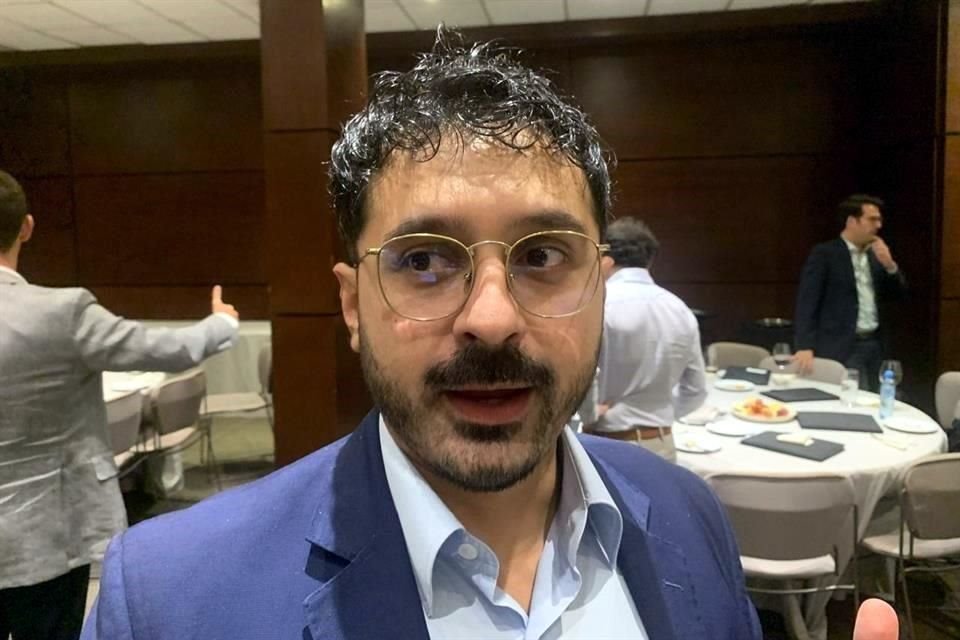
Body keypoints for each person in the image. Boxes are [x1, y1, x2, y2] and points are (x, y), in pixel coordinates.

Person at [82, 32, 899, 640]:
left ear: (599, 285)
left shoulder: (690, 514)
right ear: (353, 305)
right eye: (424, 260)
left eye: (542, 257)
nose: (493, 318)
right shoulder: (167, 597)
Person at [0, 169, 240, 640]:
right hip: (47, 538)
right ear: (26, 227)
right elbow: (165, 350)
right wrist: (221, 325)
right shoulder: (60, 313)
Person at [582, 218, 706, 462]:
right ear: (650, 261)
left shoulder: (599, 305)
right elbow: (696, 390)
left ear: (605, 258)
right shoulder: (680, 309)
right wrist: (659, 414)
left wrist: (590, 414)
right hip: (662, 443)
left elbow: (586, 375)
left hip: (606, 443)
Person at [794, 194, 906, 390]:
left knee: (878, 397)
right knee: (853, 397)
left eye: (879, 220)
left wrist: (890, 265)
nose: (878, 225)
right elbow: (807, 301)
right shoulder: (825, 254)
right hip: (843, 345)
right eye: (872, 219)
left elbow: (898, 296)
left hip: (875, 343)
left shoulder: (877, 254)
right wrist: (804, 345)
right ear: (852, 221)